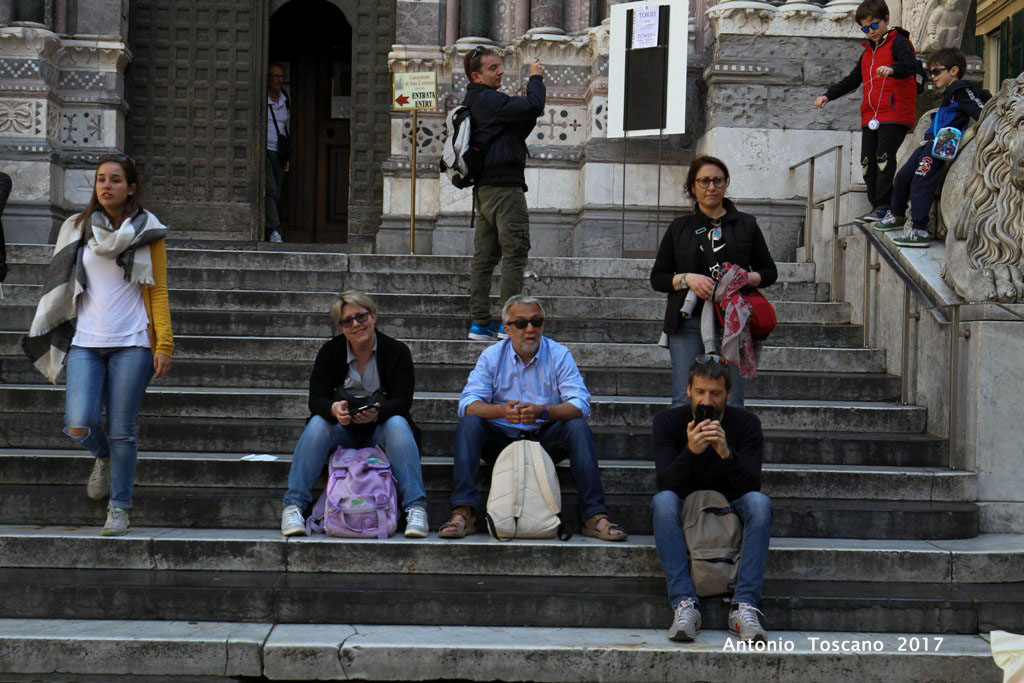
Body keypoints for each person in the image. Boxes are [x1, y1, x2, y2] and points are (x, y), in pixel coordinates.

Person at [22, 154, 173, 536]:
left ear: (131, 187)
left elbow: (158, 292)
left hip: (133, 342)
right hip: (86, 342)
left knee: (124, 430)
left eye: (116, 180)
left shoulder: (149, 231)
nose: (107, 186)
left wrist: (164, 344)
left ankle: (119, 507)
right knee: (78, 423)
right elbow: (61, 281)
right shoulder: (76, 227)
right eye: (101, 179)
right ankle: (103, 456)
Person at [439, 294, 627, 541]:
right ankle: (464, 511)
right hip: (501, 443)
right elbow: (467, 404)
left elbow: (580, 404)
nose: (530, 329)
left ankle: (593, 514)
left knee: (577, 426)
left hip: (544, 442)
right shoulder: (492, 356)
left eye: (536, 322)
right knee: (469, 424)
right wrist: (501, 411)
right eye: (521, 323)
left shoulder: (559, 354)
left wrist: (544, 411)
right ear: (507, 329)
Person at [280, 290, 429, 538]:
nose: (356, 325)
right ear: (340, 327)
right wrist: (333, 409)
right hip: (343, 430)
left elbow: (402, 401)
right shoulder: (330, 352)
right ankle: (293, 506)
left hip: (380, 430)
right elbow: (316, 399)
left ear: (373, 316)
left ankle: (415, 508)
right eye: (347, 321)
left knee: (398, 424)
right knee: (318, 423)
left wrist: (377, 414)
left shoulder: (397, 351)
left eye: (361, 317)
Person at [650, 356, 772, 643]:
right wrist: (691, 451)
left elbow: (752, 485)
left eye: (716, 393)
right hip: (685, 501)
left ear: (729, 394)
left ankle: (744, 605)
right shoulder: (667, 423)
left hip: (731, 502)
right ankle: (684, 603)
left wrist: (726, 453)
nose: (708, 400)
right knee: (662, 502)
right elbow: (665, 483)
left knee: (760, 503)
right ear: (688, 391)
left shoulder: (746, 424)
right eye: (701, 392)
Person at [649, 156, 777, 409]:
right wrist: (687, 279)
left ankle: (727, 449)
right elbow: (658, 278)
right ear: (693, 187)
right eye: (704, 181)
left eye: (717, 180)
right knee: (685, 400)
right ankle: (689, 448)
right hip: (688, 322)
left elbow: (769, 271)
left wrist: (746, 278)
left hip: (735, 322)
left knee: (733, 401)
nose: (711, 187)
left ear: (726, 183)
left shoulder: (746, 224)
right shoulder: (679, 227)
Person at [462, 47, 545, 341]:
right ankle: (509, 324)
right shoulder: (489, 100)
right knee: (514, 254)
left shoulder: (474, 102)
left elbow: (519, 124)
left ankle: (479, 323)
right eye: (493, 68)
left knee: (484, 257)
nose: (500, 72)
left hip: (484, 191)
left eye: (500, 66)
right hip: (505, 192)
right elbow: (535, 106)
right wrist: (536, 79)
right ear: (476, 75)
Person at [873, 47, 991, 247]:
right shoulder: (950, 93)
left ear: (953, 71)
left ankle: (919, 228)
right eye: (931, 72)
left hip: (943, 142)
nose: (932, 76)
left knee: (922, 180)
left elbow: (981, 110)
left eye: (937, 71)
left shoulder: (962, 88)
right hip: (929, 142)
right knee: (902, 176)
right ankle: (898, 214)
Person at [815, 0, 919, 222]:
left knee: (883, 159)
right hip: (872, 115)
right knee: (867, 162)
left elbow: (909, 65)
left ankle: (886, 206)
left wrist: (892, 69)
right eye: (864, 28)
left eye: (873, 25)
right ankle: (876, 206)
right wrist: (828, 95)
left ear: (886, 20)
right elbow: (853, 80)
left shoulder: (899, 42)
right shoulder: (868, 53)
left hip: (895, 113)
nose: (869, 32)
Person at [266, 62, 289, 243]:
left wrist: (286, 155)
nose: (279, 80)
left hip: (279, 153)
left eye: (282, 76)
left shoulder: (285, 99)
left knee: (278, 192)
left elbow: (285, 127)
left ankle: (271, 228)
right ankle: (275, 231)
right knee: (271, 191)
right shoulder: (263, 99)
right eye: (276, 76)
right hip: (264, 151)